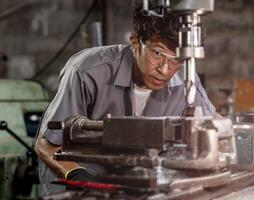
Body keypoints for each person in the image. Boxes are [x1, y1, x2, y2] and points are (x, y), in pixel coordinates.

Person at [34, 0, 216, 195]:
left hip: (137, 184)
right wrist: (77, 175)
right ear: (135, 42)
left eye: (176, 60)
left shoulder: (186, 78)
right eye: (157, 53)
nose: (165, 70)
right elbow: (46, 144)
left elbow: (213, 127)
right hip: (80, 182)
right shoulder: (86, 71)